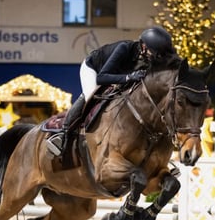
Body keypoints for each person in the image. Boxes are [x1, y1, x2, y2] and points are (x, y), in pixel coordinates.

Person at [46, 26, 177, 157]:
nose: (155, 57)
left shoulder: (149, 58)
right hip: (95, 69)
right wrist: (129, 77)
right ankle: (62, 135)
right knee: (89, 95)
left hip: (117, 76)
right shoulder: (124, 49)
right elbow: (102, 78)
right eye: (153, 52)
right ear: (143, 46)